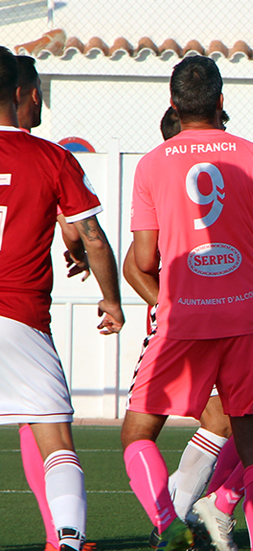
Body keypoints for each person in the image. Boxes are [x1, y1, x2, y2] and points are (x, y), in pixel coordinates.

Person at [122, 56, 253, 551]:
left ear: (173, 103)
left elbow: (144, 257)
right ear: (220, 101)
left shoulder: (153, 163)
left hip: (182, 320)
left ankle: (168, 526)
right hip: (245, 316)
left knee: (138, 434)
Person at [0, 45, 125, 551]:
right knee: (55, 439)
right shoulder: (52, 157)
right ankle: (69, 540)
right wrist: (111, 299)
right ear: (22, 94)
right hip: (20, 317)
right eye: (37, 96)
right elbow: (91, 236)